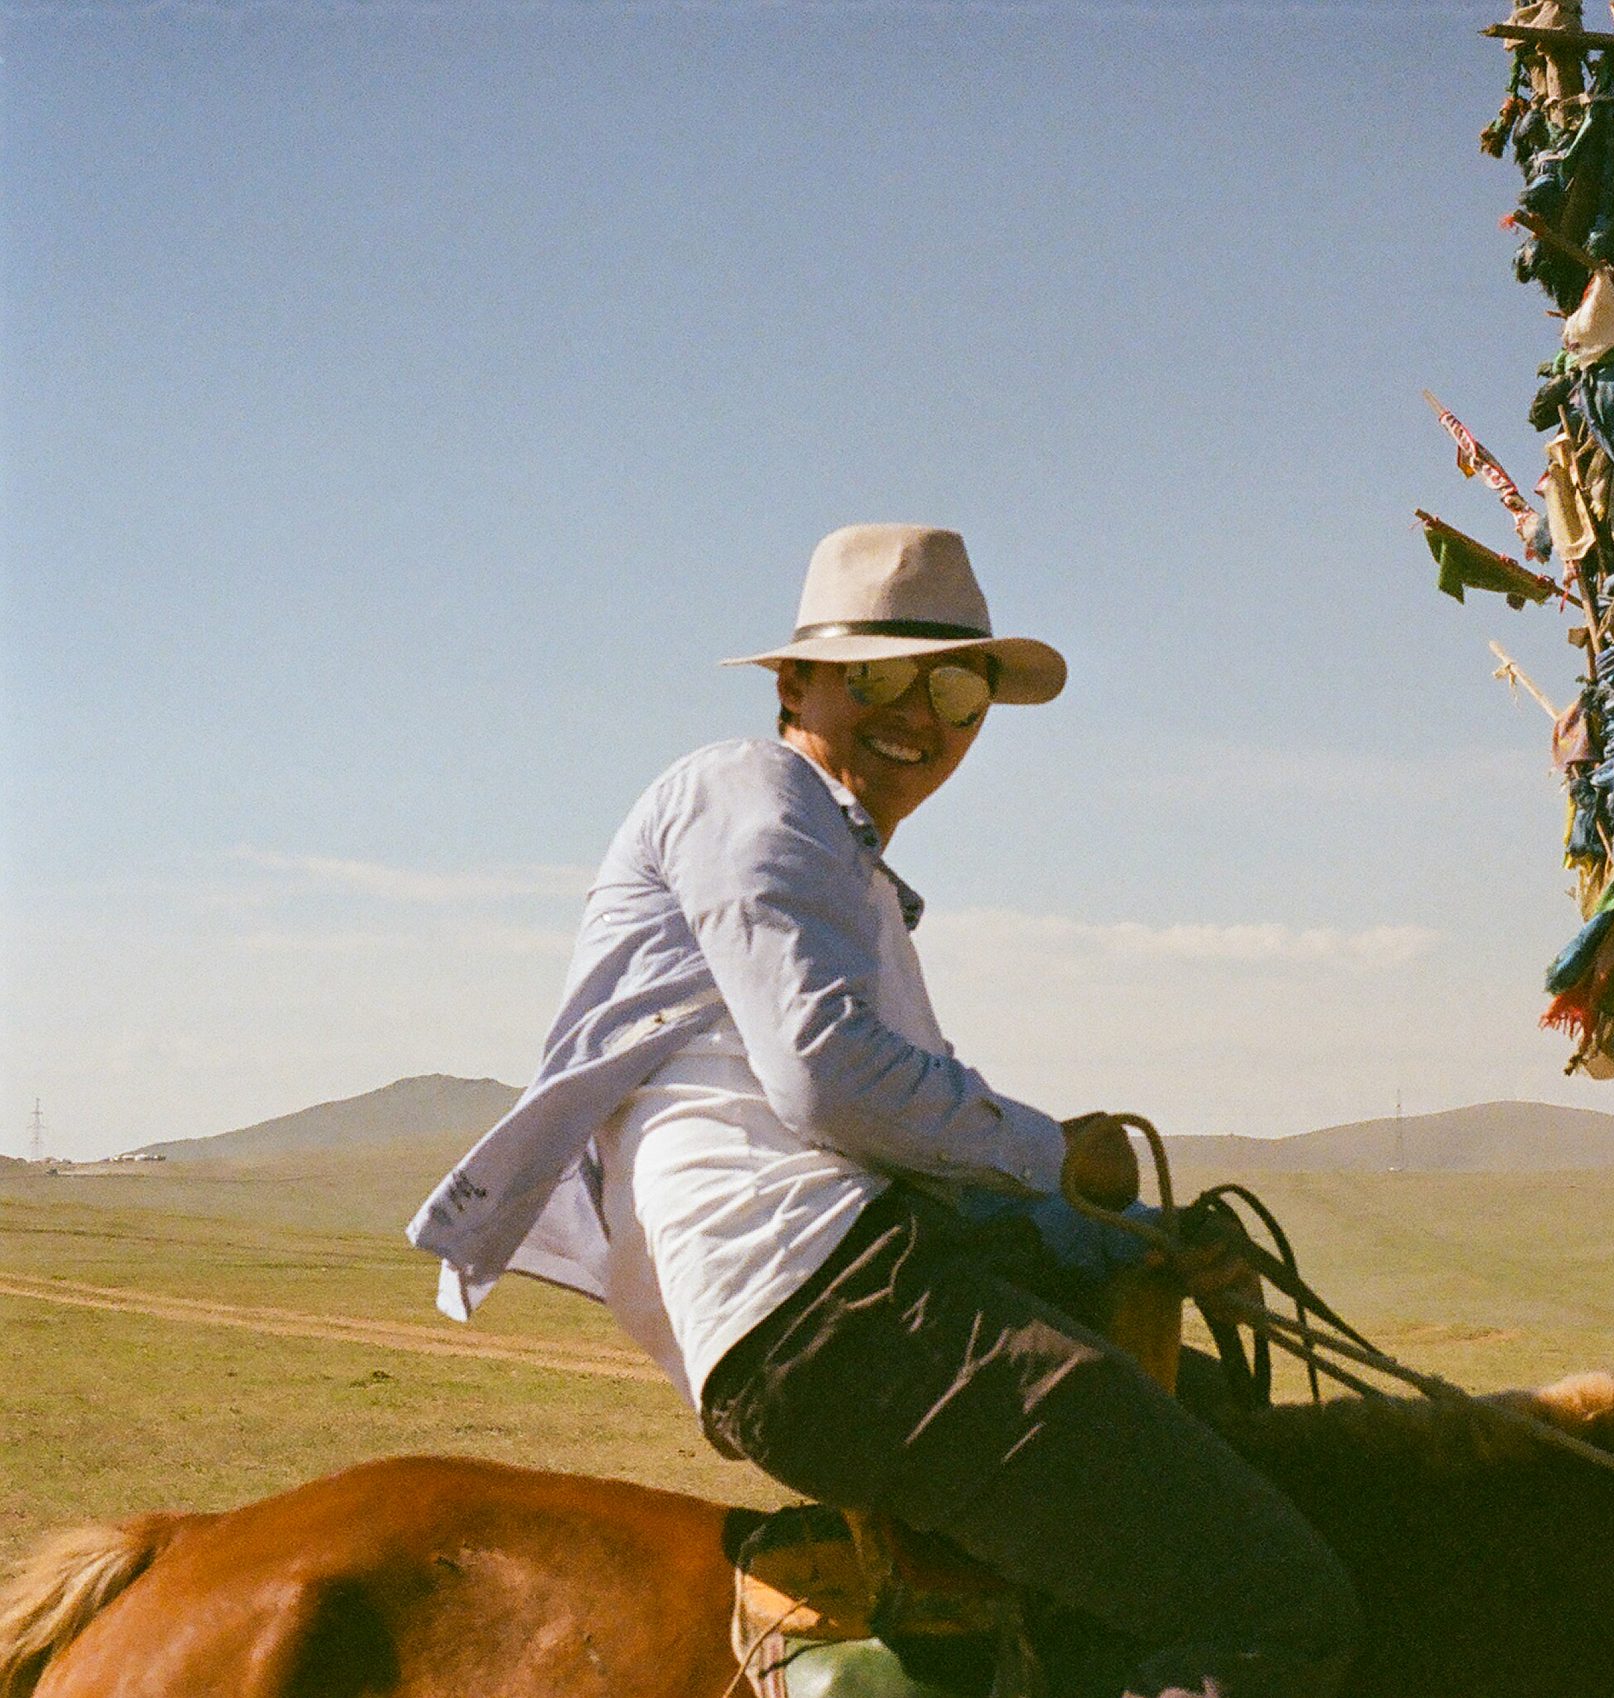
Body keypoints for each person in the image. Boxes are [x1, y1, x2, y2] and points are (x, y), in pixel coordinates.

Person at [409, 523, 1357, 1698]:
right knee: (1277, 1604)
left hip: (851, 1279)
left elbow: (923, 1146)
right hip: (826, 1295)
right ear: (795, 682)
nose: (921, 711)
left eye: (955, 684)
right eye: (875, 676)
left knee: (1240, 1451)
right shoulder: (746, 786)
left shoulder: (852, 879)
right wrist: (1063, 1159)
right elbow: (827, 1080)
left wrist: (1135, 1232)